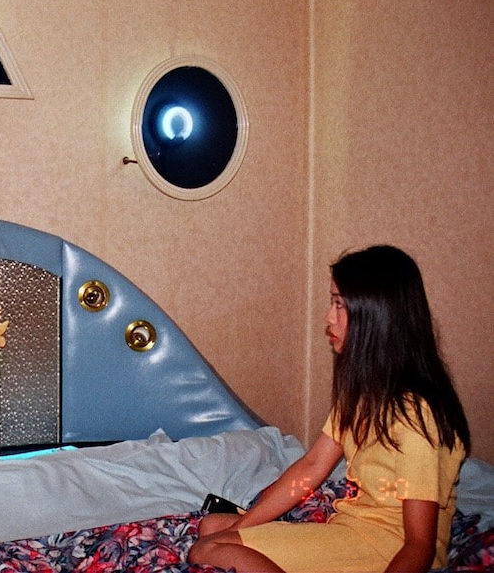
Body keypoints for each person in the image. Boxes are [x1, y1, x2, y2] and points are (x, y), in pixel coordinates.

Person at [187, 245, 470, 573]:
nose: (328, 317)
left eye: (338, 304)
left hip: (387, 547)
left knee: (206, 549)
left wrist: (233, 539)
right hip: (353, 528)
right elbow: (311, 467)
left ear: (373, 316)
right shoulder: (365, 394)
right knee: (212, 527)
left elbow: (419, 544)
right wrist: (243, 526)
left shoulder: (415, 417)